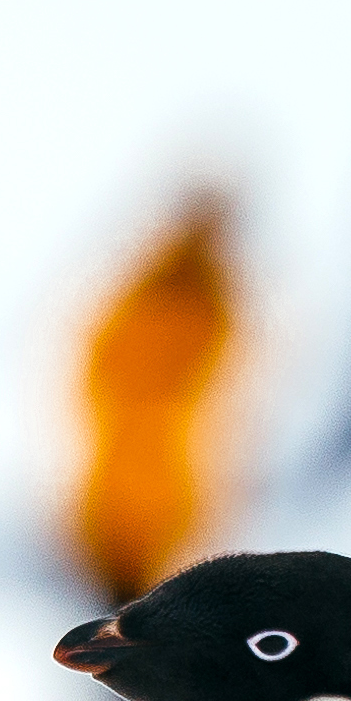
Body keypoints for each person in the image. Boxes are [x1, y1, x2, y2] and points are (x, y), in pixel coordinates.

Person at [74, 186, 244, 641]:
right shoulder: (199, 304)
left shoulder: (189, 301)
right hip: (140, 507)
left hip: (150, 506)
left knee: (126, 648)